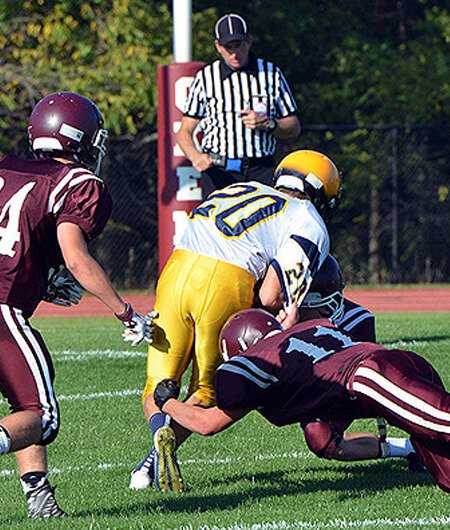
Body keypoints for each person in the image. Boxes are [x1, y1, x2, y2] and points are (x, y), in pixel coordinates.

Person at [0, 91, 155, 522]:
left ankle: (41, 502)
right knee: (43, 415)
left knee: (25, 402)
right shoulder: (78, 182)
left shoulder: (2, 167)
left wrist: (40, 280)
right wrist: (126, 312)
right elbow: (76, 258)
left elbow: (5, 238)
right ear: (79, 139)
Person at [129, 149, 341, 492]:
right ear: (320, 193)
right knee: (207, 391)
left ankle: (154, 443)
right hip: (225, 279)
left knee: (159, 382)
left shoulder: (241, 188)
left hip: (176, 268)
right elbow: (271, 295)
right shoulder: (307, 218)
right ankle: (151, 462)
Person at [153, 306, 450, 493]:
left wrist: (166, 402)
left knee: (444, 423)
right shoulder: (305, 331)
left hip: (370, 377)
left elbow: (207, 423)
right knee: (446, 477)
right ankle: (409, 449)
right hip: (389, 367)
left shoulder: (256, 362)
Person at [297, 255, 422, 467]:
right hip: (300, 382)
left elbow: (355, 382)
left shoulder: (356, 321)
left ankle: (412, 446)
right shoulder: (278, 311)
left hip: (343, 385)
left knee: (321, 439)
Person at [176, 13, 300, 197]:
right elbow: (184, 132)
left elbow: (294, 126)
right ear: (218, 46)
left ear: (249, 42)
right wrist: (196, 157)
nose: (234, 53)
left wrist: (269, 124)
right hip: (219, 172)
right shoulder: (206, 78)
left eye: (239, 45)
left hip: (260, 169)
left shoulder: (270, 74)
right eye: (228, 47)